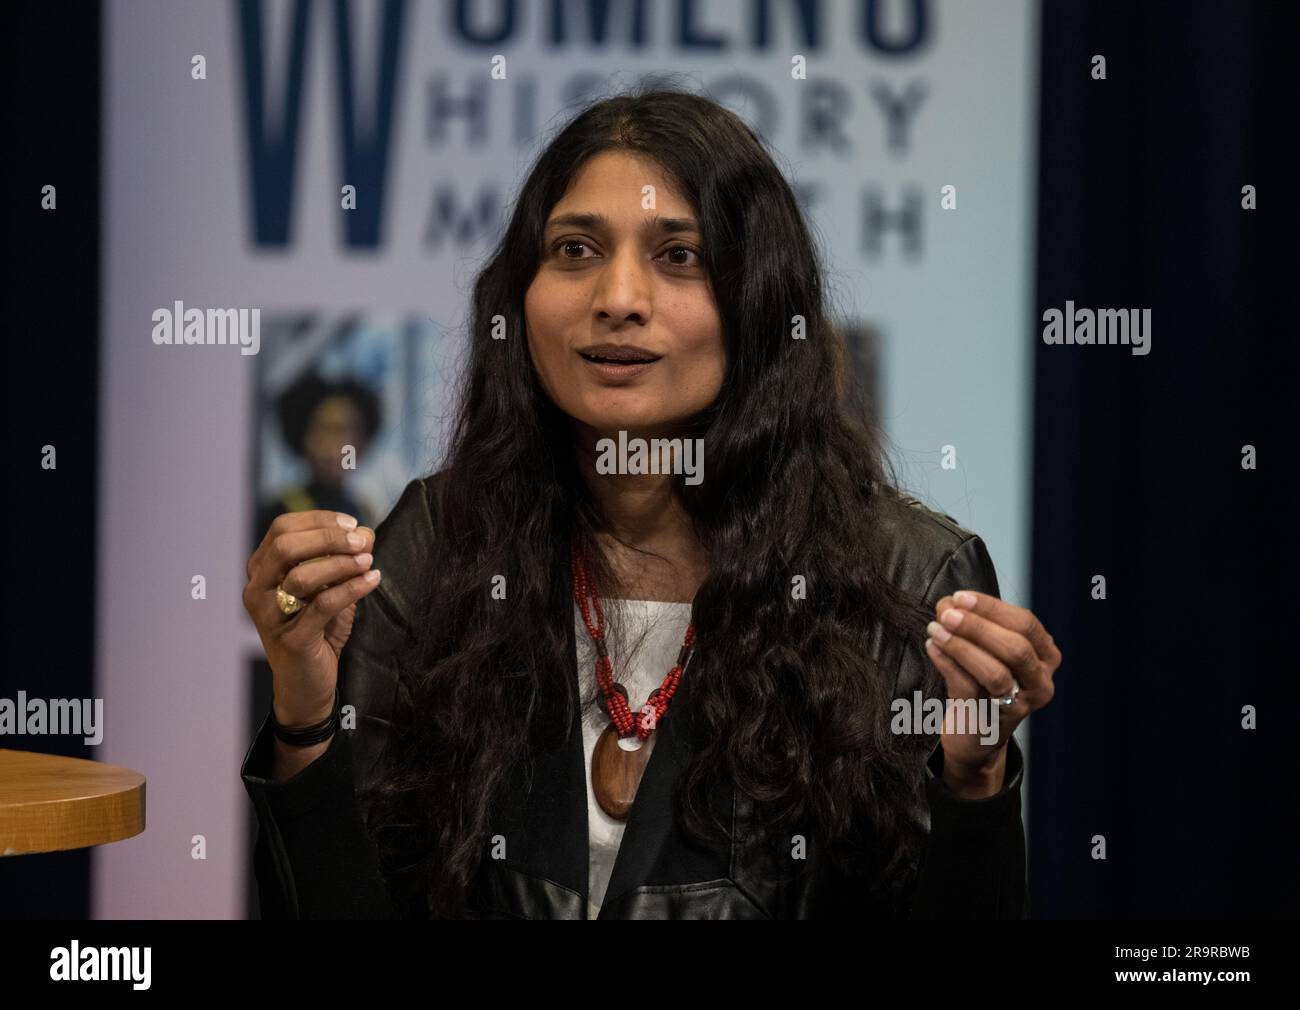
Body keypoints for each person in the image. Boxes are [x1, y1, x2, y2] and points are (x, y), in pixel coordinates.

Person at [240, 89, 1062, 919]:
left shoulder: (906, 576)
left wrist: (974, 778)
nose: (618, 297)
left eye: (679, 256)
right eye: (574, 249)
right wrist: (304, 715)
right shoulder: (436, 545)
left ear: (758, 301)